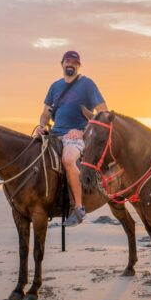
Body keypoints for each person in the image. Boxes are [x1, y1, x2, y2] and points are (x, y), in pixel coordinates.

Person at [37, 50, 108, 227]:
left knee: (68, 160)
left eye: (75, 62)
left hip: (75, 136)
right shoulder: (55, 86)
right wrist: (41, 126)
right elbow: (46, 113)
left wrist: (84, 132)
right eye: (68, 61)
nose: (71, 64)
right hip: (54, 134)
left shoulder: (87, 84)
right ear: (62, 64)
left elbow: (103, 113)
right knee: (33, 158)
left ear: (79, 66)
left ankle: (78, 208)